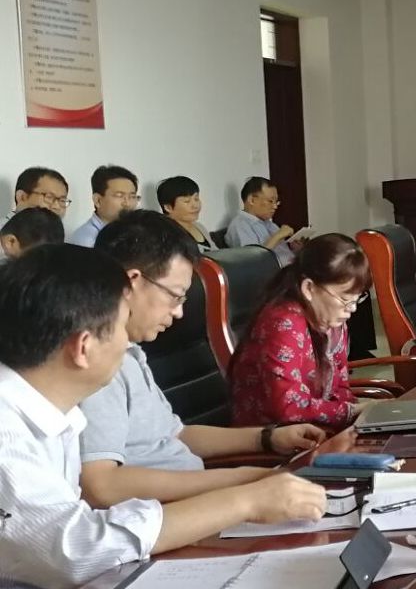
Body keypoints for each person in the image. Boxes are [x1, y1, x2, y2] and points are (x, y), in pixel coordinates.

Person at [0, 245, 327, 589]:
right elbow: (77, 550)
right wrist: (245, 501)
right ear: (83, 347)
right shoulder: (8, 434)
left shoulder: (55, 411)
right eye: (121, 326)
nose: (126, 342)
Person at [77, 211, 327, 510]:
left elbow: (177, 435)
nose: (179, 312)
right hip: (171, 514)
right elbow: (101, 486)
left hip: (199, 500)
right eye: (176, 296)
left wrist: (268, 438)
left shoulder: (131, 352)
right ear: (132, 281)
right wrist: (241, 482)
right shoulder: (97, 364)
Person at [230, 234, 371, 430]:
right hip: (273, 438)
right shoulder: (282, 324)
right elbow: (288, 408)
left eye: (357, 299)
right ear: (309, 288)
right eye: (345, 299)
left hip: (317, 430)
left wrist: (358, 415)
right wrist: (350, 411)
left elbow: (341, 387)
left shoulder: (332, 319)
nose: (352, 309)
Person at [224, 176, 304, 266]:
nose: (275, 206)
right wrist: (278, 236)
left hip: (293, 267)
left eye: (276, 202)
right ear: (252, 200)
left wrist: (294, 250)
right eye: (271, 201)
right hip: (279, 273)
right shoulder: (240, 225)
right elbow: (252, 261)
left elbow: (282, 253)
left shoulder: (270, 224)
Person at [67, 165, 139, 248]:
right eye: (119, 195)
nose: (127, 203)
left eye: (132, 196)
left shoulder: (133, 232)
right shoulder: (86, 241)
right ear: (98, 200)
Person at [157, 175, 219, 251]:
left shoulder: (199, 227)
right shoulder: (166, 236)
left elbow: (217, 253)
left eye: (196, 199)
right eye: (187, 201)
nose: (195, 206)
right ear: (168, 207)